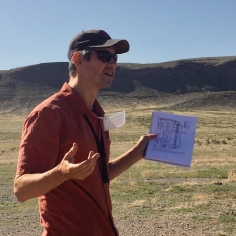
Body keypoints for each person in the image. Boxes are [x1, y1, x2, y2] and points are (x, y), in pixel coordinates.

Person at [14, 29, 156, 236]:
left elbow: (99, 175)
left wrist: (137, 152)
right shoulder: (49, 114)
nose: (113, 64)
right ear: (78, 58)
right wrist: (61, 173)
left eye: (114, 58)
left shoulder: (96, 115)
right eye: (105, 56)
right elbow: (21, 190)